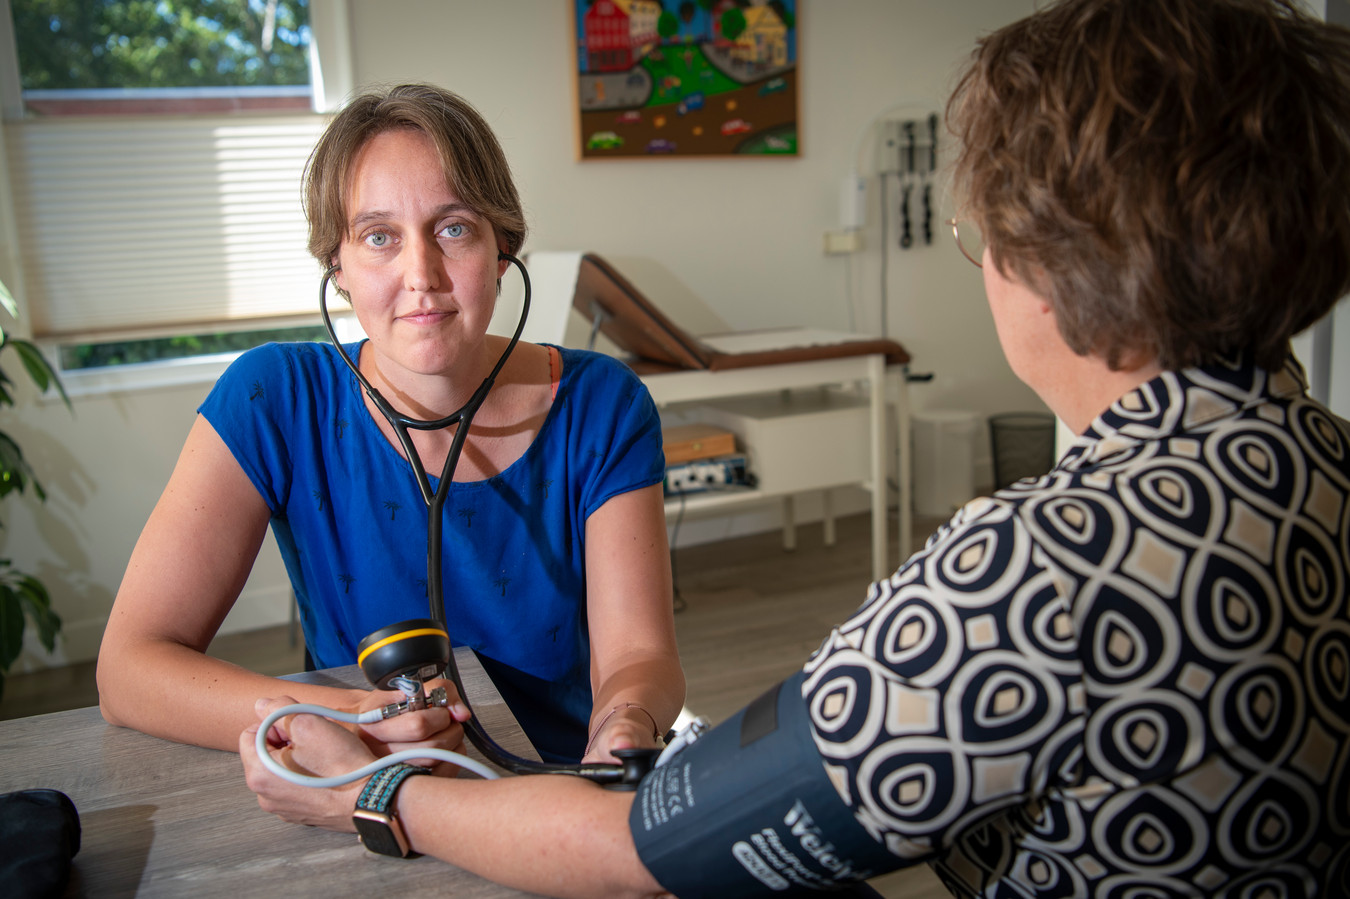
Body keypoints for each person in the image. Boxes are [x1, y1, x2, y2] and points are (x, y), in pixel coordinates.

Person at [240, 2, 1350, 896]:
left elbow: (647, 847)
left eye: (984, 232)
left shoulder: (1033, 571)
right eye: (380, 236)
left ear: (1053, 263)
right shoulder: (1324, 458)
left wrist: (375, 793)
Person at [97, 83, 685, 767]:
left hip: (563, 776)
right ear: (338, 267)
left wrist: (623, 723)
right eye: (379, 236)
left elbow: (640, 656)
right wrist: (357, 717)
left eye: (454, 227)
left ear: (502, 247)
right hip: (377, 774)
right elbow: (128, 670)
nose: (421, 274)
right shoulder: (272, 399)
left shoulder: (603, 403)